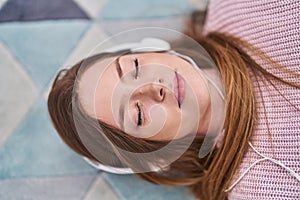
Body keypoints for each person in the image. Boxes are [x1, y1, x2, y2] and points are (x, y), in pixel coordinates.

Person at [47, 0, 300, 199]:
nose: (152, 88)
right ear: (159, 158)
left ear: (152, 46)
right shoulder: (263, 189)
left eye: (134, 67)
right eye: (138, 114)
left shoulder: (242, 6)